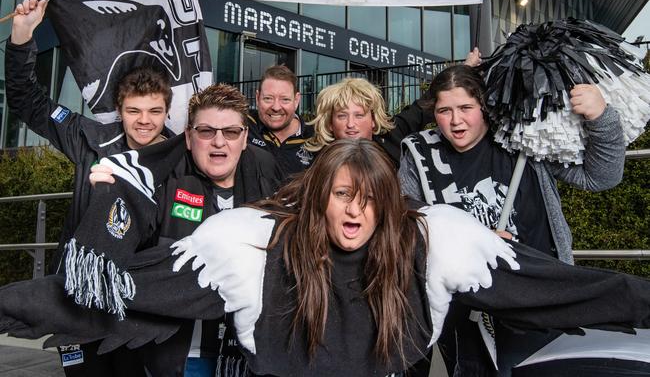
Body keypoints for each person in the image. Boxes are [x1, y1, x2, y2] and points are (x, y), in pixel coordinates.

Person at [1, 139, 650, 377]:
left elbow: (562, 287)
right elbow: (132, 287)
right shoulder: (250, 244)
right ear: (320, 194)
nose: (354, 211)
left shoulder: (435, 241)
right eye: (342, 193)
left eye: (369, 198)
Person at [398, 64, 626, 376]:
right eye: (444, 110)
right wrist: (471, 242)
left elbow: (601, 177)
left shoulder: (524, 137)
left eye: (466, 107)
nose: (455, 120)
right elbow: (406, 225)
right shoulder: (420, 154)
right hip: (467, 313)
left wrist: (601, 118)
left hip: (542, 296)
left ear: (484, 105)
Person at [5, 0, 175, 376]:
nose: (143, 121)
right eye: (133, 111)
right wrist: (22, 36)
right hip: (77, 300)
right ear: (119, 109)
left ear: (166, 110)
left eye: (154, 111)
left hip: (138, 305)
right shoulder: (89, 137)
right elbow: (26, 100)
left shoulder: (180, 160)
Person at [88, 83, 282, 377]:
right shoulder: (161, 182)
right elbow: (123, 243)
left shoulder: (268, 183)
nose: (219, 142)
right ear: (189, 138)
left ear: (244, 139)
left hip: (250, 357)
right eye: (206, 131)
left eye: (230, 132)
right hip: (180, 356)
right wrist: (111, 201)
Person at [304, 77, 433, 165]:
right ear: (330, 123)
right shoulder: (317, 162)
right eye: (342, 116)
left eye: (359, 115)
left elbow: (425, 105)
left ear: (373, 120)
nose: (350, 124)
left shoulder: (391, 140)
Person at [246, 65, 314, 179]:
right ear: (257, 98)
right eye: (268, 98)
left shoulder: (315, 139)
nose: (276, 107)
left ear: (296, 100)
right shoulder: (242, 126)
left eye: (285, 99)